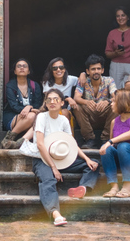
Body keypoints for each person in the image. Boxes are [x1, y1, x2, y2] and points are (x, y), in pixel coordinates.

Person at [19, 88, 100, 226]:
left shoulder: (63, 120)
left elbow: (72, 143)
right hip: (42, 159)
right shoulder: (41, 117)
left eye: (56, 99)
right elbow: (40, 144)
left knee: (93, 163)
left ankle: (84, 188)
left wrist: (87, 159)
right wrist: (54, 168)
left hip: (61, 159)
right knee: (48, 180)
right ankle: (55, 213)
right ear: (45, 103)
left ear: (62, 102)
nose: (52, 102)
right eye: (49, 99)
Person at [99, 89, 130, 198]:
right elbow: (112, 145)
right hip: (122, 161)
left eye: (113, 101)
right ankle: (114, 186)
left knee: (123, 145)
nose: (111, 104)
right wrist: (108, 144)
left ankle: (127, 187)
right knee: (107, 149)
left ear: (122, 103)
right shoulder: (114, 122)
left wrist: (110, 141)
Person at [73, 54, 118, 148]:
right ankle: (90, 140)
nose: (96, 71)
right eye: (93, 69)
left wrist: (108, 101)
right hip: (90, 116)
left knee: (116, 105)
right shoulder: (83, 81)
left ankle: (105, 139)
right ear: (88, 71)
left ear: (102, 70)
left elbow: (116, 96)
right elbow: (76, 98)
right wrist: (86, 102)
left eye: (98, 68)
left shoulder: (109, 80)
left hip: (105, 115)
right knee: (77, 107)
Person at [1, 58, 43, 149]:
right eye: (19, 66)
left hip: (31, 117)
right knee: (32, 116)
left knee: (39, 120)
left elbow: (38, 103)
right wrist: (29, 109)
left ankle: (19, 143)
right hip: (12, 116)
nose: (22, 68)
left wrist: (30, 108)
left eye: (25, 66)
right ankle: (9, 138)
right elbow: (13, 106)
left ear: (28, 71)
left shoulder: (34, 85)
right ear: (15, 71)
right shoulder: (10, 85)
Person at [40, 57, 79, 127]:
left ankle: (65, 137)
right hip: (51, 110)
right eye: (55, 68)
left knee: (64, 112)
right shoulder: (46, 83)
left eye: (61, 67)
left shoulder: (70, 79)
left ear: (64, 69)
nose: (58, 70)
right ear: (51, 71)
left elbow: (83, 81)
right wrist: (68, 99)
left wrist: (83, 74)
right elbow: (49, 101)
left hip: (66, 111)